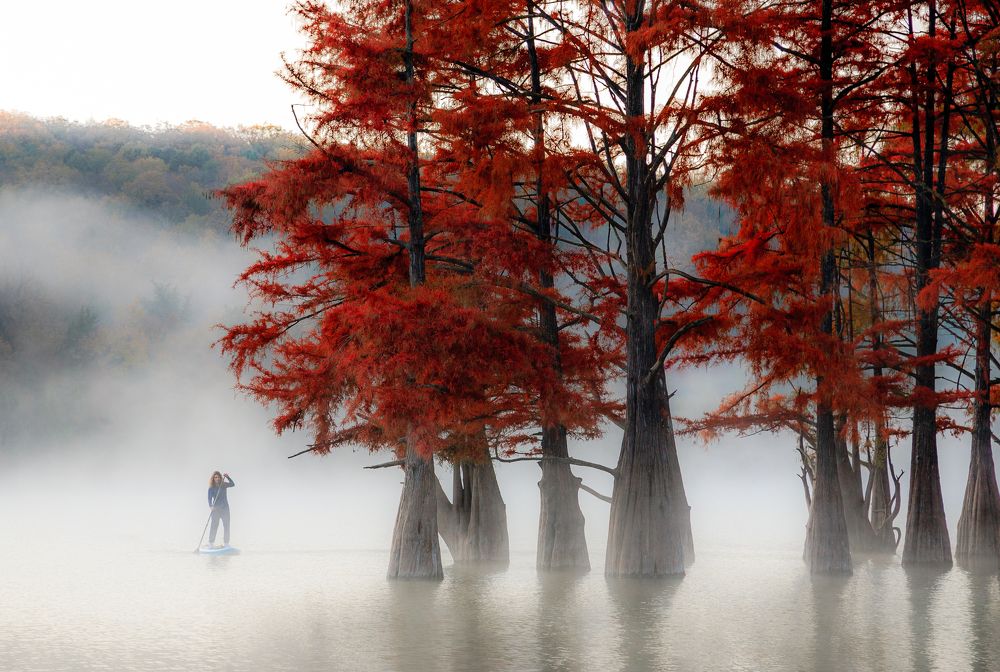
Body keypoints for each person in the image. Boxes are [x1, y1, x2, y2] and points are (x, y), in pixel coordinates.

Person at [207, 471, 235, 547]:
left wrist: (228, 477)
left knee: (226, 526)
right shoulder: (211, 488)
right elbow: (209, 499)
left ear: (220, 478)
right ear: (213, 478)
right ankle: (211, 543)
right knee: (214, 526)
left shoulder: (224, 485)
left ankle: (226, 543)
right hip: (216, 510)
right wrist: (211, 506)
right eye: (215, 477)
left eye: (218, 477)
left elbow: (232, 484)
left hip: (225, 509)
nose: (217, 478)